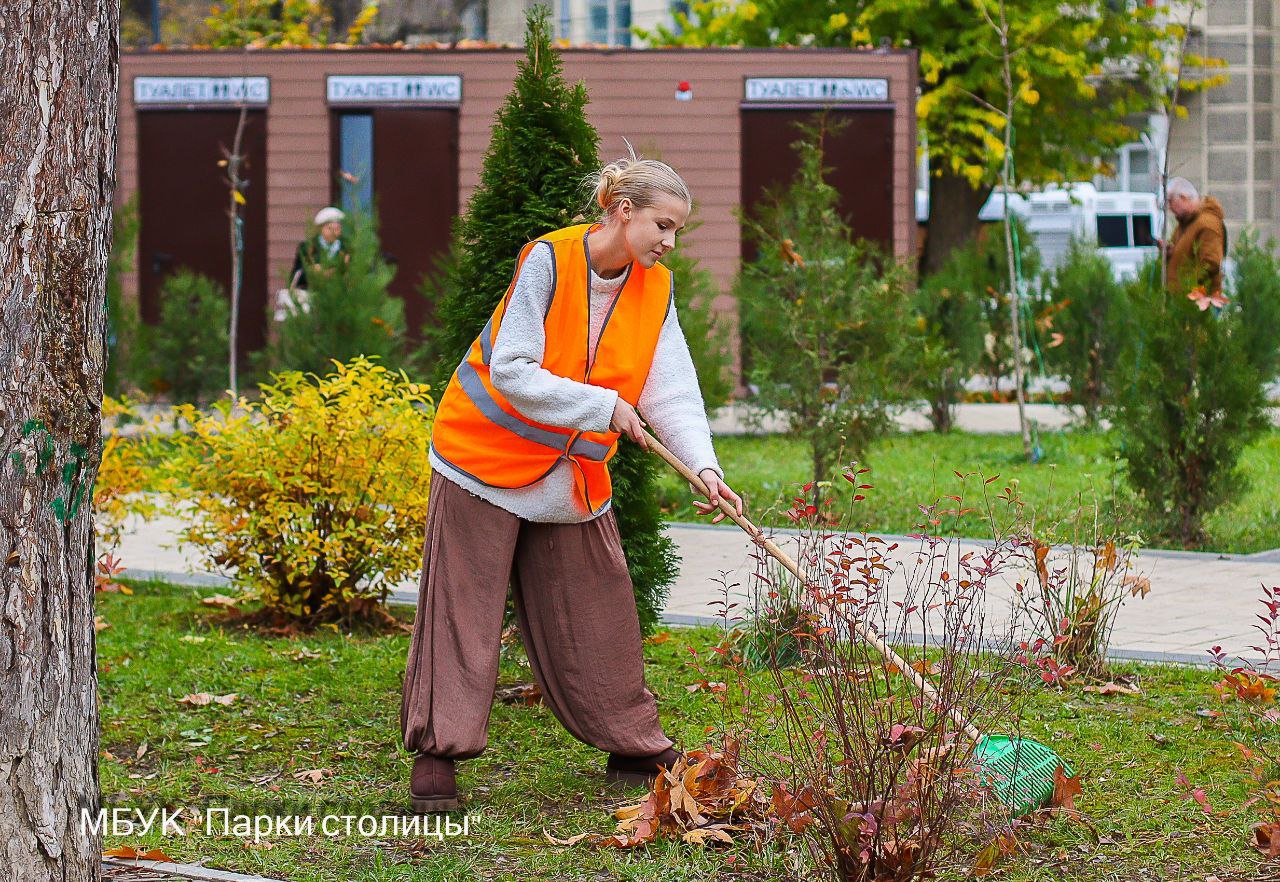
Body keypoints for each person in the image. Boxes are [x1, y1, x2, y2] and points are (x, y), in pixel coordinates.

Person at [400, 156, 743, 813]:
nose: (669, 242)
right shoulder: (548, 262)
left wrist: (704, 468)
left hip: (568, 472)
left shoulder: (654, 286)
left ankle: (633, 743)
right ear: (621, 211)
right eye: (661, 225)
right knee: (461, 611)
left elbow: (671, 387)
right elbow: (513, 369)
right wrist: (603, 407)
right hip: (484, 457)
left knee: (600, 608)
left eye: (676, 231)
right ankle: (437, 754)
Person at [1162, 177, 1227, 296]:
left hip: (1200, 302)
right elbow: (1189, 255)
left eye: (1170, 201)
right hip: (1186, 301)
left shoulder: (1207, 224)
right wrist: (1172, 252)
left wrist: (1186, 286)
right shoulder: (1186, 224)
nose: (1169, 208)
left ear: (1183, 198)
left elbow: (1210, 264)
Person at [290, 206, 347, 291]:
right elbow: (296, 275)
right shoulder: (307, 248)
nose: (333, 232)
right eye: (329, 228)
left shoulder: (347, 249)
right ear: (320, 229)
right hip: (314, 297)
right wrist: (312, 272)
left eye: (337, 229)